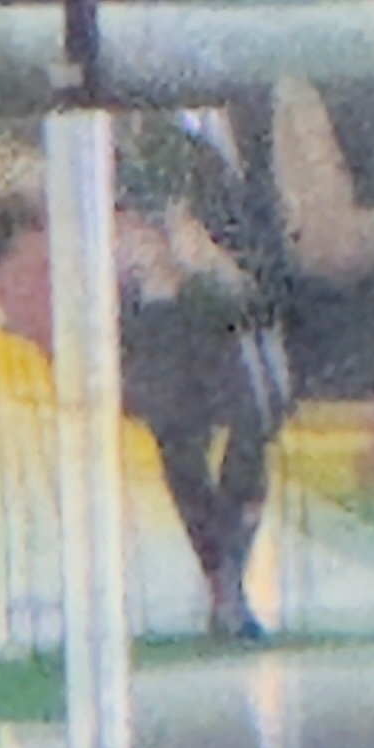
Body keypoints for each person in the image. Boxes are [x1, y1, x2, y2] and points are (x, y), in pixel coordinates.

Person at [116, 103, 289, 637]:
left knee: (246, 427)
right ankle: (222, 577)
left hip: (219, 307)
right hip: (165, 311)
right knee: (181, 440)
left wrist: (212, 262)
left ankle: (227, 574)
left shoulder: (201, 151)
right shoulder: (127, 154)